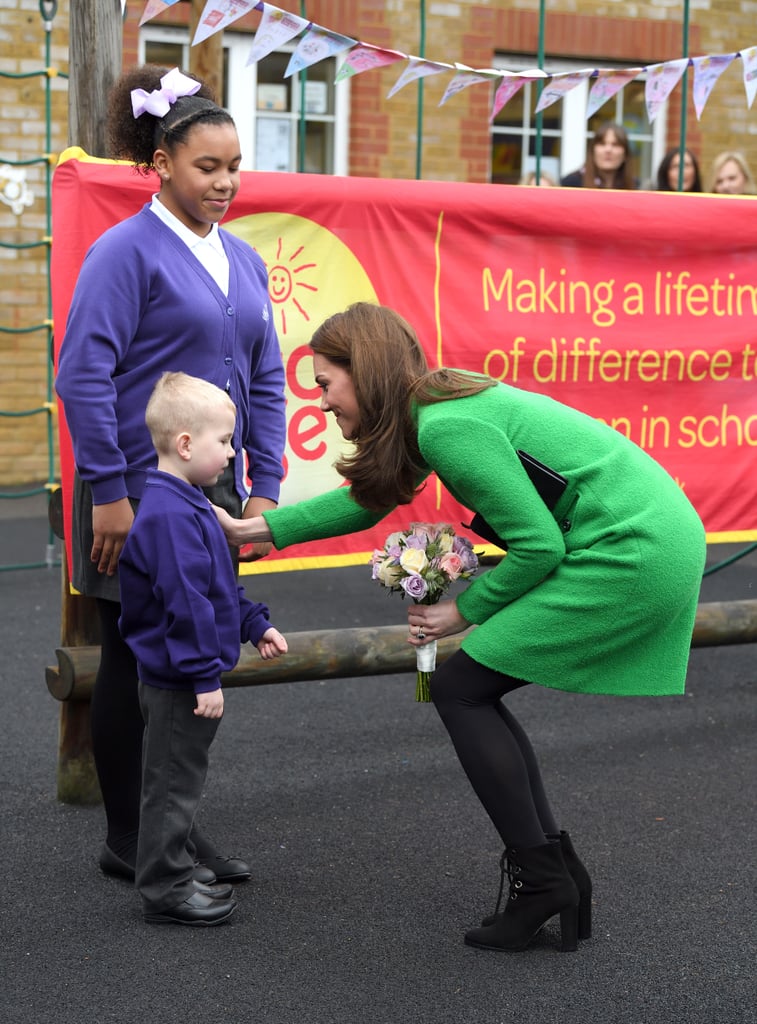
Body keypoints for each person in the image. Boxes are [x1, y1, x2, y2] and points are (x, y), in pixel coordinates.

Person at [214, 302, 706, 954]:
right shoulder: (433, 408)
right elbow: (373, 496)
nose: (324, 403)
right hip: (643, 540)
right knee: (468, 689)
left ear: (365, 372)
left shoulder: (447, 426)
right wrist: (258, 529)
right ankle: (555, 877)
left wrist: (459, 611)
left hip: (629, 553)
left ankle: (544, 882)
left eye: (327, 384)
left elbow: (537, 547)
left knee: (459, 689)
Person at [54, 65, 287, 885]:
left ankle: (172, 832)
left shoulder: (244, 261)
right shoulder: (123, 252)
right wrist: (111, 495)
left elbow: (265, 377)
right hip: (134, 494)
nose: (224, 183)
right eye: (205, 167)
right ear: (160, 165)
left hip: (212, 491)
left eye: (233, 167)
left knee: (194, 650)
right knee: (134, 661)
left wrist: (265, 486)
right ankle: (131, 839)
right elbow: (82, 375)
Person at [119, 372, 287, 926]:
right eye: (224, 440)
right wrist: (202, 677)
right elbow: (185, 604)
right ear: (186, 443)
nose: (233, 450)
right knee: (170, 783)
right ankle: (164, 890)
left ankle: (177, 865)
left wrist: (253, 623)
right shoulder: (169, 516)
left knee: (179, 776)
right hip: (177, 681)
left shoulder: (192, 504)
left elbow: (218, 586)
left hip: (183, 676)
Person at [560, 121, 638, 189]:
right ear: (593, 150)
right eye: (602, 144)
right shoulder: (570, 184)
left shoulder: (637, 187)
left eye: (615, 144)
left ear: (625, 154)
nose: (608, 150)